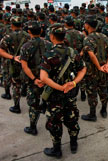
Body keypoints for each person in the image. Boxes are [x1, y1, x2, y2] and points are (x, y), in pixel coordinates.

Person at [40, 24, 86, 158]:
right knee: (72, 119)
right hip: (70, 94)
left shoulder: (49, 54)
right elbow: (83, 69)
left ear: (52, 36)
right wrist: (73, 83)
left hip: (55, 96)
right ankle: (73, 144)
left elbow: (43, 77)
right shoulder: (73, 52)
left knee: (55, 122)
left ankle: (57, 149)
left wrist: (60, 87)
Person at [20, 21, 52, 135]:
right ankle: (50, 125)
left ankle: (33, 127)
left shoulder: (26, 46)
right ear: (41, 31)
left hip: (33, 81)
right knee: (49, 102)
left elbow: (24, 66)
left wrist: (34, 79)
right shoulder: (49, 44)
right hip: (47, 79)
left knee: (33, 104)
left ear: (29, 32)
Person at [81, 17, 108, 122]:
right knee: (103, 90)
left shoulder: (88, 39)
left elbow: (91, 54)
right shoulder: (104, 37)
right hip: (104, 70)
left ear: (88, 26)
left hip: (92, 71)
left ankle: (92, 114)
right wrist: (107, 64)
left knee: (92, 92)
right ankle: (104, 110)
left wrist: (98, 66)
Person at [0, 16, 30, 113]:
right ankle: (24, 92)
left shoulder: (8, 37)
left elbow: (0, 51)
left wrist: (12, 57)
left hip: (11, 63)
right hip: (26, 63)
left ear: (11, 25)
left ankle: (16, 106)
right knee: (26, 81)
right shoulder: (28, 36)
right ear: (21, 25)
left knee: (15, 84)